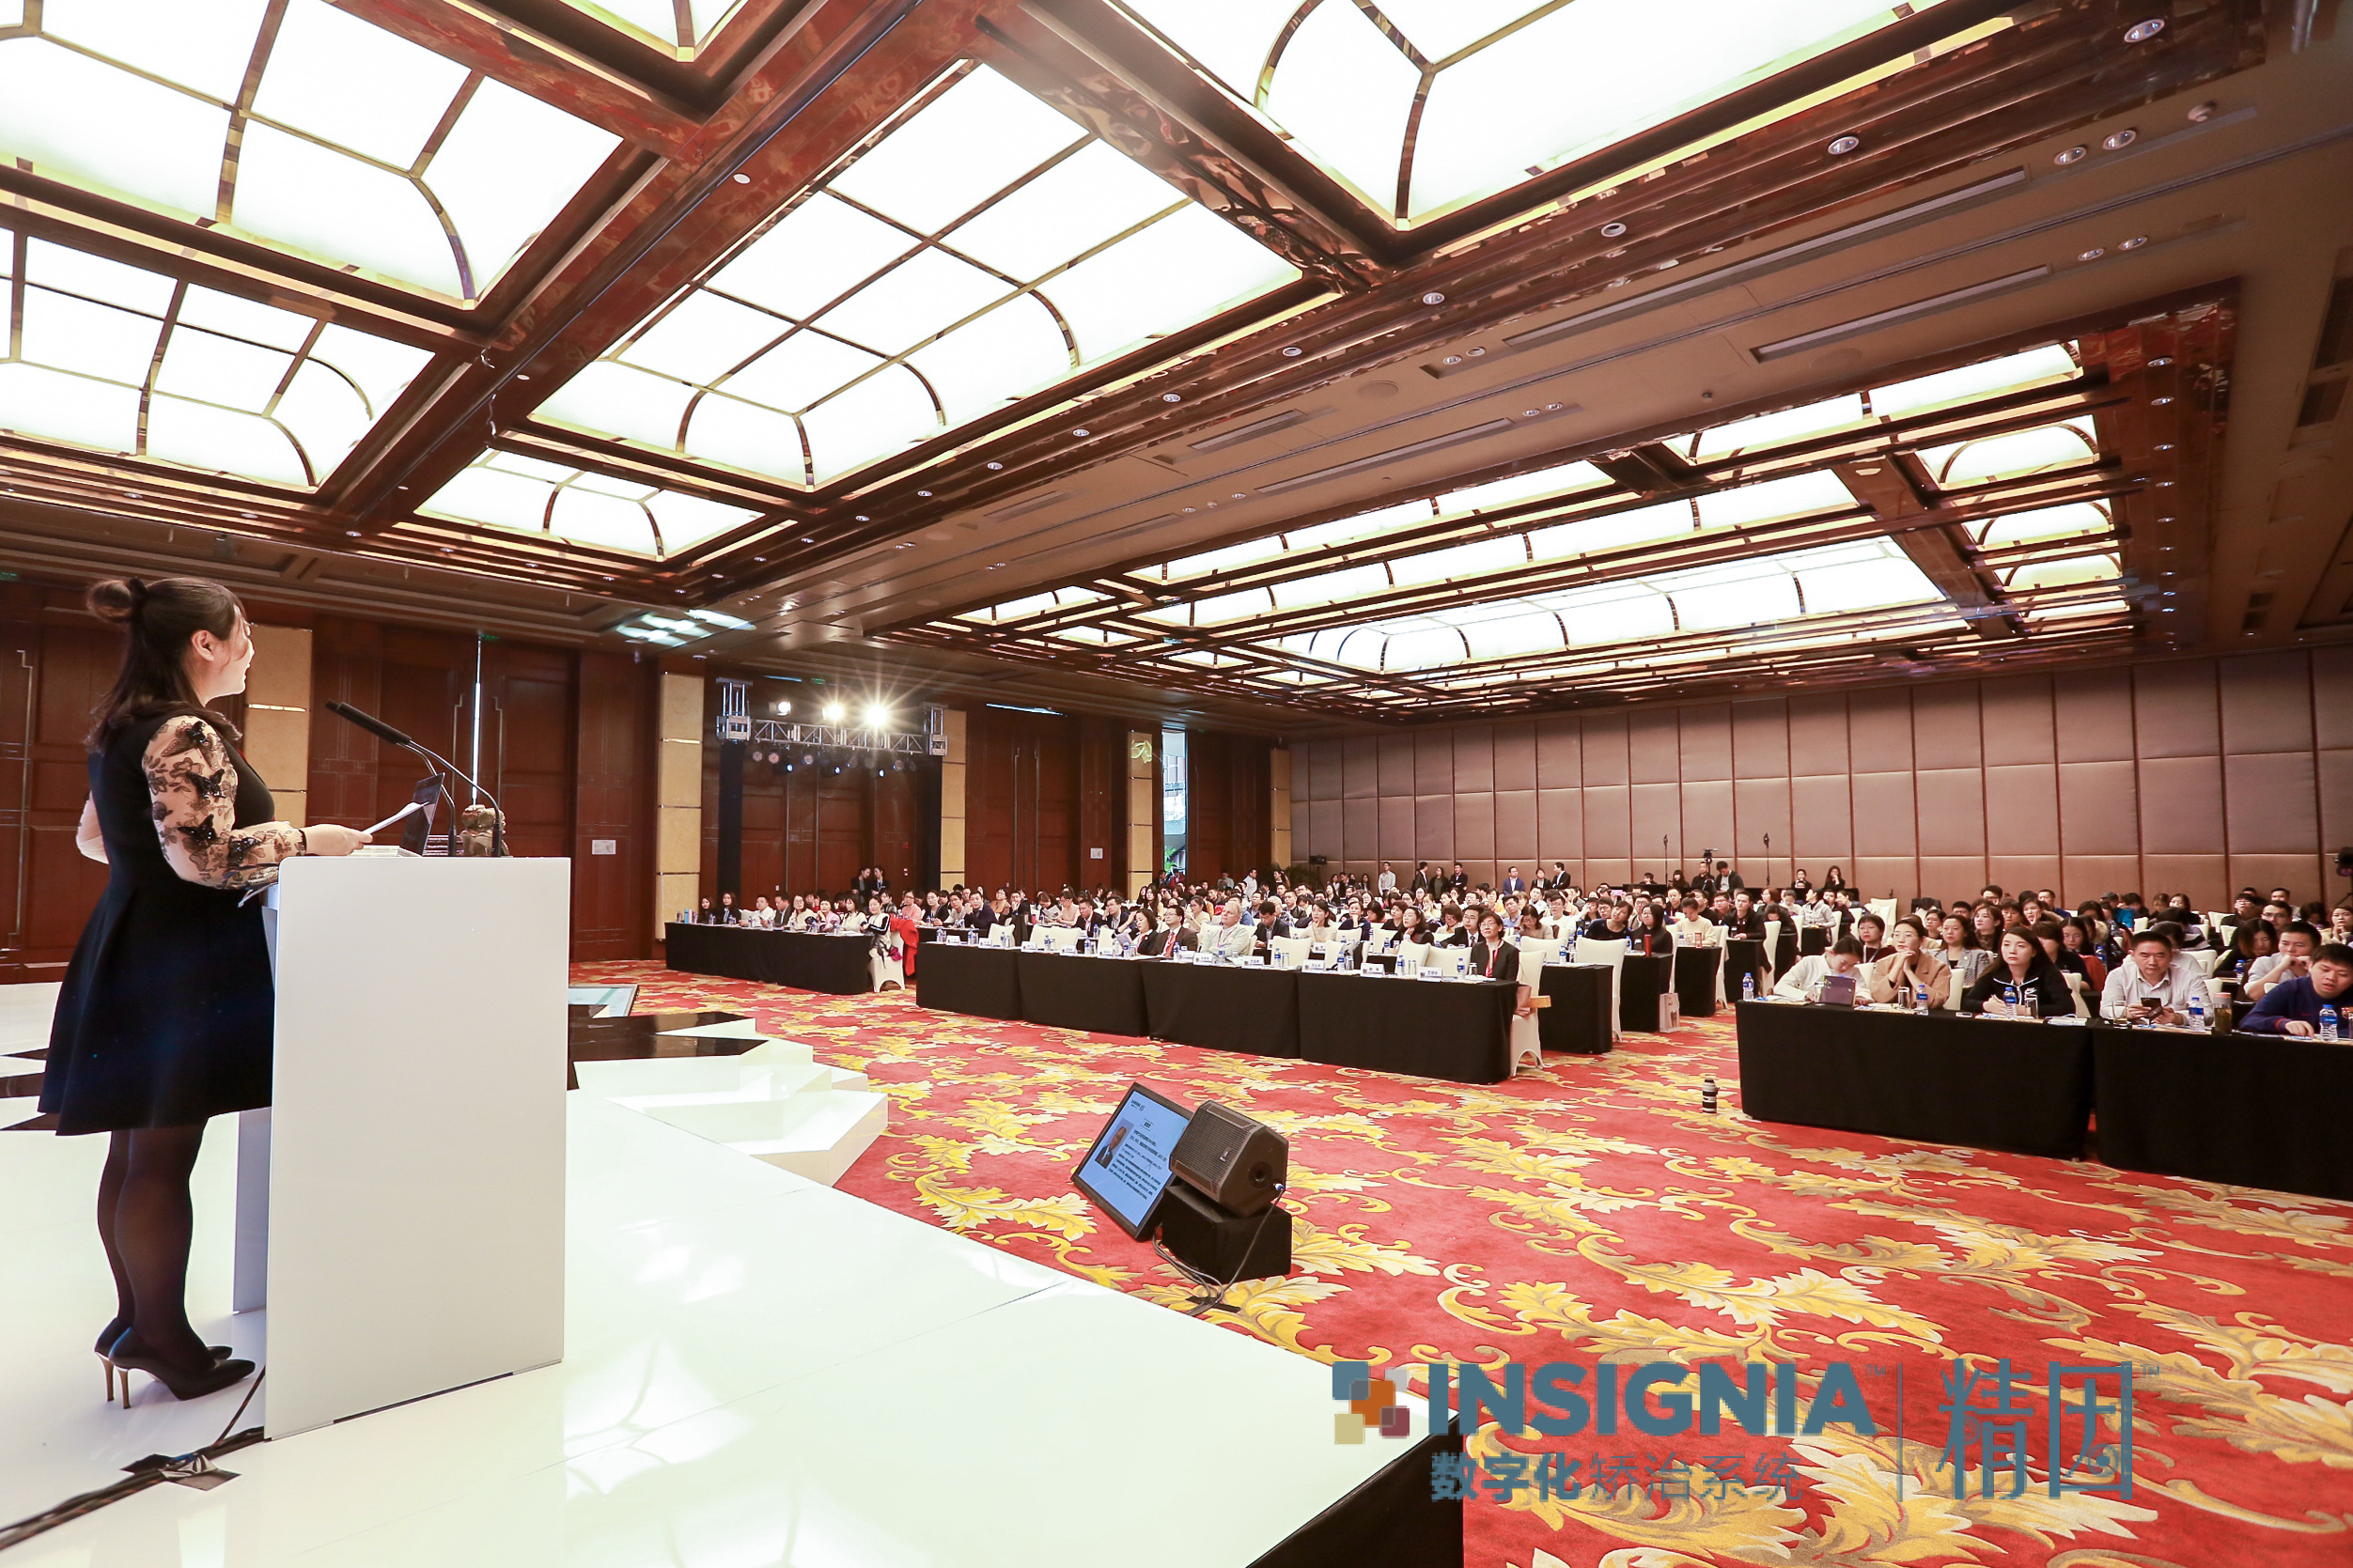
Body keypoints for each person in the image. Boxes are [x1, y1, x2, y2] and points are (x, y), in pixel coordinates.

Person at [47, 576, 371, 1405]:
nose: (249, 650)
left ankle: (136, 1321)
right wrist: (310, 838)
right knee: (163, 1154)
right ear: (205, 643)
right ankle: (165, 1341)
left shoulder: (122, 726)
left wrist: (152, 861)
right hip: (179, 957)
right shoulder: (183, 728)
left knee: (136, 1148)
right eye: (244, 634)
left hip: (132, 939)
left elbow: (95, 837)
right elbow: (203, 858)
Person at [2098, 929, 2213, 1025]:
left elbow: (2208, 1014)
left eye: (2159, 956)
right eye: (2145, 956)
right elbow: (2105, 1009)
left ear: (2171, 956)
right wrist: (2126, 1012)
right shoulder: (2118, 976)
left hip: (2176, 1037)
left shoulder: (2190, 978)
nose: (2152, 962)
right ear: (2132, 955)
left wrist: (2178, 1017)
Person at [2239, 943, 2353, 1035]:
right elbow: (2250, 1020)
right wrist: (2283, 1024)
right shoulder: (2290, 989)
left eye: (2342, 974)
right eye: (2325, 970)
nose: (2331, 978)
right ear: (2310, 966)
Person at [1960, 928, 2074, 1017]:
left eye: (2020, 946)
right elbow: (1967, 1001)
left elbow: (2066, 1007)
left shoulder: (2048, 973)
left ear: (2034, 952)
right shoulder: (1995, 972)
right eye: (2006, 945)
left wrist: (2025, 1010)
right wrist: (1987, 1006)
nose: (2012, 951)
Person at [1865, 917, 1951, 1008]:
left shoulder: (1939, 967)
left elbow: (1936, 1001)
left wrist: (1908, 971)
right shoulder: (1883, 963)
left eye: (1908, 935)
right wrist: (1898, 966)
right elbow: (1879, 997)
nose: (1901, 940)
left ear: (1922, 940)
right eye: (1897, 935)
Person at [2246, 921, 2322, 1001]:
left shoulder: (2323, 965)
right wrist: (2281, 967)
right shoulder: (2264, 962)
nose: (2290, 949)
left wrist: (2304, 972)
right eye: (2285, 944)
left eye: (2299, 945)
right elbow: (2254, 995)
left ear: (2315, 947)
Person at [1774, 936, 1865, 1001]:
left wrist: (1860, 997)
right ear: (1832, 953)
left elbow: (1863, 990)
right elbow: (1780, 987)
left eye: (1852, 964)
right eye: (1843, 962)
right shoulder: (1810, 962)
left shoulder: (1854, 971)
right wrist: (1804, 994)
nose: (1846, 968)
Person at [1934, 913, 1992, 994]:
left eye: (1955, 928)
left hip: (1969, 996)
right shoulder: (1934, 956)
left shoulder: (1978, 955)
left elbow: (1984, 984)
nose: (1950, 932)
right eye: (1946, 928)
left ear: (1965, 932)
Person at [1467, 909, 1520, 987]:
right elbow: (1472, 974)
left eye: (1490, 924)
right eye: (1483, 924)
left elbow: (1510, 981)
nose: (1486, 927)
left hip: (1500, 990)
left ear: (1500, 927)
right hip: (1479, 989)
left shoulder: (1511, 951)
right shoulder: (1477, 948)